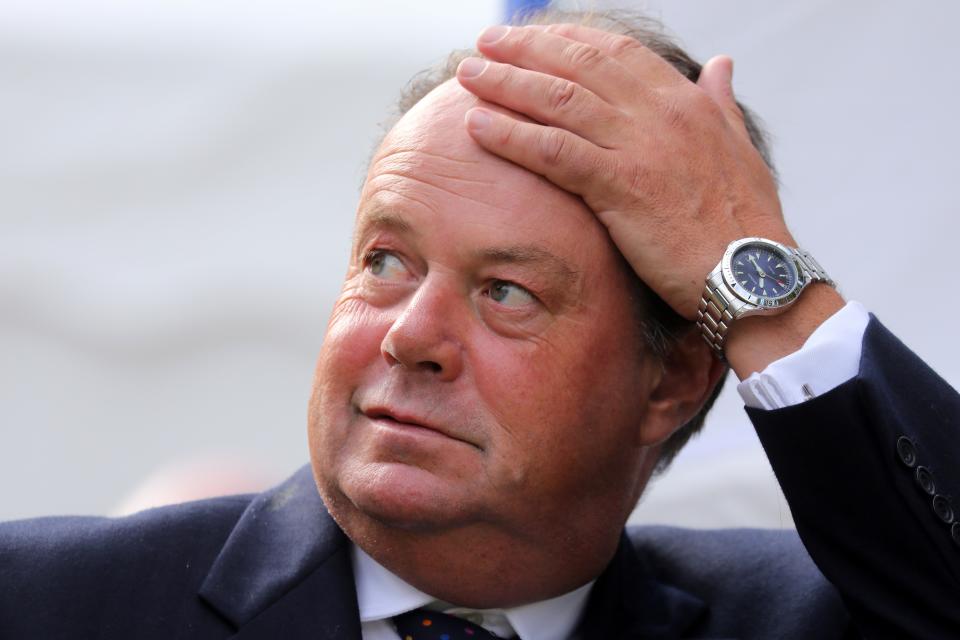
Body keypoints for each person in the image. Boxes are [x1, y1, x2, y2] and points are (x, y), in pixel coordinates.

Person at [2, 9, 958, 639]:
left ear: (669, 382)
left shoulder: (807, 618)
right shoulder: (51, 605)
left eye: (508, 291)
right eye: (385, 262)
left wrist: (758, 277)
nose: (409, 334)